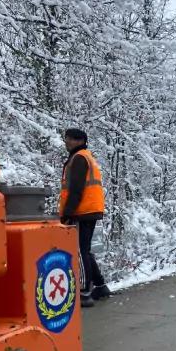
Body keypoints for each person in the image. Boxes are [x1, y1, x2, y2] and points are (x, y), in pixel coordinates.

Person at [58, 128, 111, 307]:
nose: (67, 141)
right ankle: (100, 285)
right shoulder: (85, 156)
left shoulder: (79, 158)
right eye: (66, 138)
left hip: (82, 211)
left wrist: (68, 213)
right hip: (89, 209)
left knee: (79, 251)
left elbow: (76, 189)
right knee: (86, 250)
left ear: (80, 141)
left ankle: (84, 293)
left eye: (70, 139)